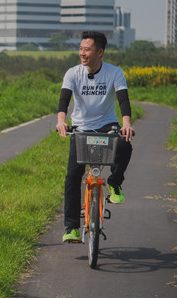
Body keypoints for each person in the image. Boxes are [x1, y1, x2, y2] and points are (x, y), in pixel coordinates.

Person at [55, 31, 134, 243]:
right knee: (72, 177)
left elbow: (123, 100)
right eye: (80, 48)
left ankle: (115, 182)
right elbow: (64, 100)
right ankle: (71, 228)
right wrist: (61, 120)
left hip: (107, 125)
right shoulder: (73, 73)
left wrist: (126, 123)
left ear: (99, 52)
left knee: (125, 144)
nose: (82, 53)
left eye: (87, 49)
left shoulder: (114, 72)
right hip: (81, 127)